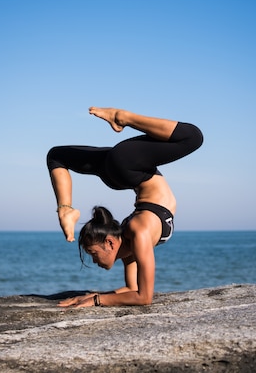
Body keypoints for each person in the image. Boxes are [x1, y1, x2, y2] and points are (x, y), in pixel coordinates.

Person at [46, 107, 203, 307]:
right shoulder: (129, 242)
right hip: (122, 172)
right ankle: (65, 208)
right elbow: (132, 290)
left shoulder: (138, 232)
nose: (94, 262)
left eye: (94, 254)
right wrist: (89, 297)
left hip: (127, 165)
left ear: (110, 242)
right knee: (56, 155)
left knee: (193, 137)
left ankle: (122, 117)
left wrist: (96, 300)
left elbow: (144, 298)